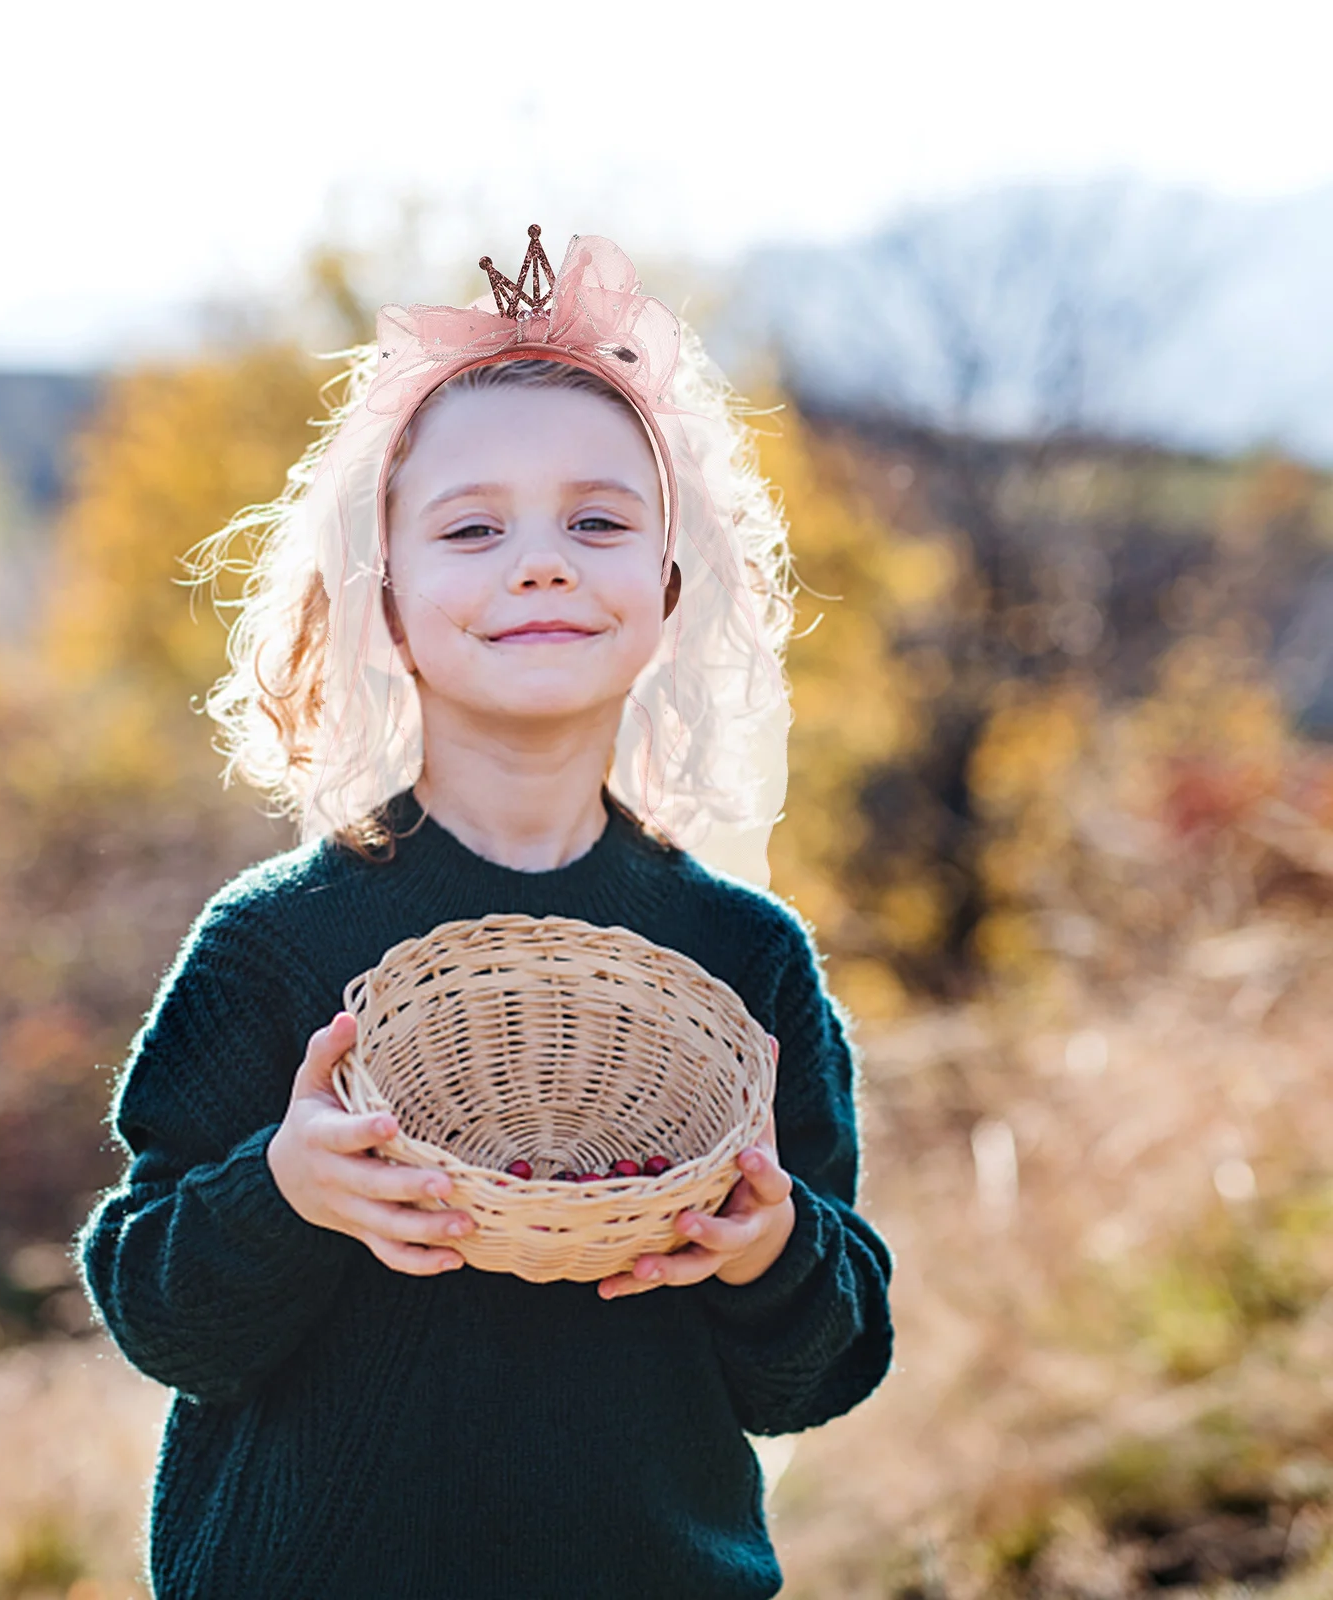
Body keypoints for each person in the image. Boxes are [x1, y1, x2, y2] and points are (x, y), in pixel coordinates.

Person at [74, 225, 895, 1600]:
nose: (540, 562)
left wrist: (771, 1248)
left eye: (597, 520)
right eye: (471, 526)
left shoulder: (746, 961)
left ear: (669, 589)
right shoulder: (277, 945)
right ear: (384, 598)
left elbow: (815, 1371)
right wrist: (284, 1191)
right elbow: (162, 1315)